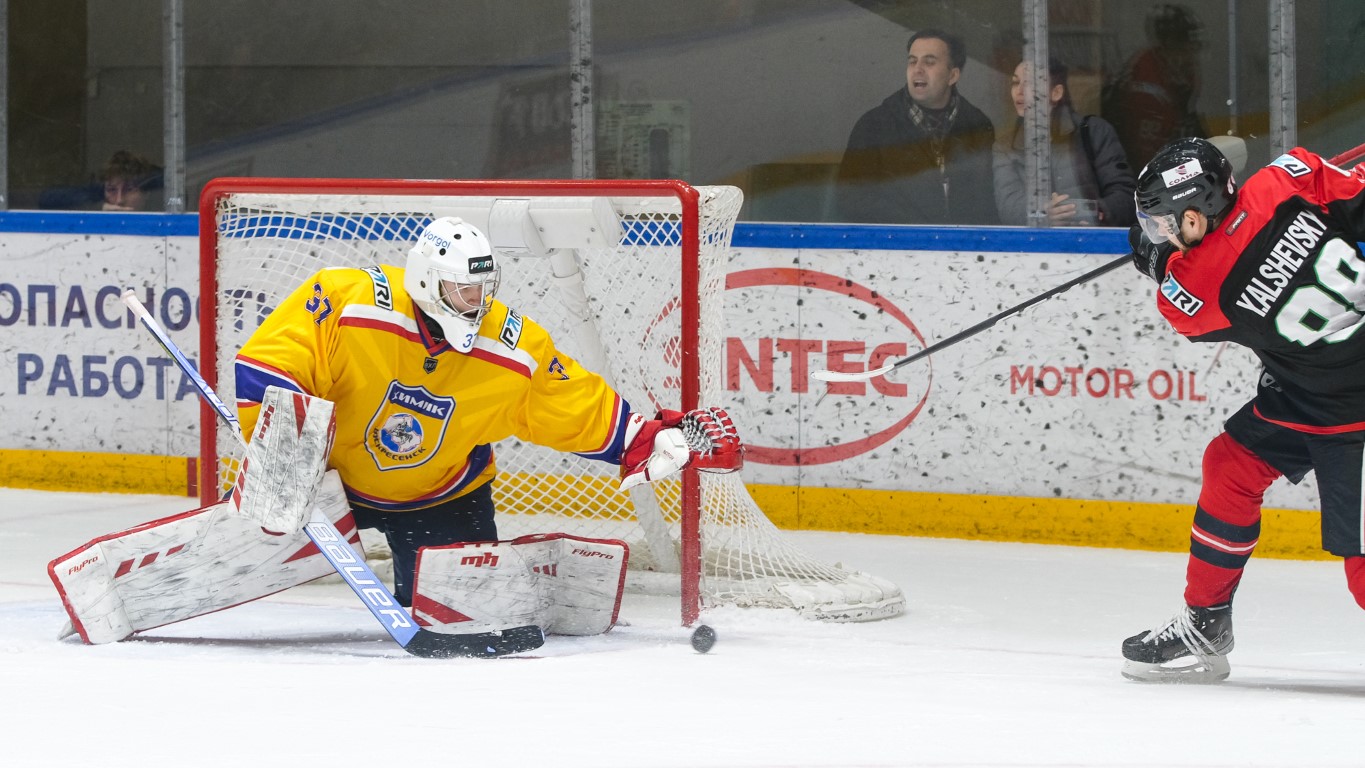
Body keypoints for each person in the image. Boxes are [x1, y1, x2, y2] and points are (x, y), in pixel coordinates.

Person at [232, 216, 740, 608]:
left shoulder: (512, 346)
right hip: (329, 487)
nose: (476, 303)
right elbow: (272, 362)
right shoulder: (350, 302)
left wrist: (644, 439)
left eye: (482, 289)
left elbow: (568, 402)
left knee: (461, 607)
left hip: (439, 495)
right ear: (429, 283)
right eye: (463, 290)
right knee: (251, 564)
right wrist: (281, 461)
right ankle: (248, 536)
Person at [1121, 138, 1365, 683]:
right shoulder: (1288, 179)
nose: (1160, 232)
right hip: (1310, 393)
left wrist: (1158, 261)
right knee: (1232, 466)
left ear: (1193, 216)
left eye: (1164, 223)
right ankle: (1205, 622)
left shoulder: (1202, 287)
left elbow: (1185, 305)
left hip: (1350, 415)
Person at [835, 28, 998, 225]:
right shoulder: (874, 125)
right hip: (896, 249)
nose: (917, 69)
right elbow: (851, 199)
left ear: (952, 75)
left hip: (961, 249)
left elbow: (986, 202)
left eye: (929, 62)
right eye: (912, 61)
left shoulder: (978, 126)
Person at [993, 57, 1136, 227]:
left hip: (1096, 245)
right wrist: (1042, 215)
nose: (1020, 91)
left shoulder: (1094, 132)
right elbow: (1008, 206)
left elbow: (1126, 197)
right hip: (1035, 248)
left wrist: (1091, 212)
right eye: (1015, 83)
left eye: (1031, 84)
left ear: (1056, 93)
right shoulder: (1005, 145)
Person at [1101, 3, 1208, 169]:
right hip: (1137, 175)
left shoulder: (1179, 70)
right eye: (1185, 43)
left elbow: (1189, 120)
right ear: (1169, 43)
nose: (1192, 51)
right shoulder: (1145, 87)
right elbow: (1145, 161)